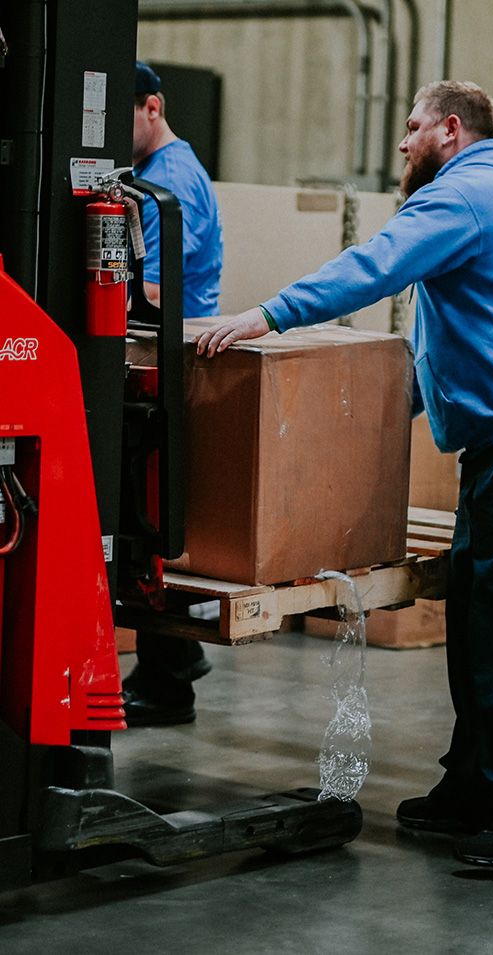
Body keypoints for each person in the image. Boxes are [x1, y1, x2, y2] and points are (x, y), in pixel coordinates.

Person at [195, 81, 493, 867]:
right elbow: (446, 348)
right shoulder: (482, 197)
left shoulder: (468, 194)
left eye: (412, 127)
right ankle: (480, 782)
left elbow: (374, 265)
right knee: (479, 622)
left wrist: (268, 314)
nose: (403, 143)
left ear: (452, 129)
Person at [121, 60, 224, 727]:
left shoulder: (170, 182)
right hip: (150, 358)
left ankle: (168, 673)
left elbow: (157, 295)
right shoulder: (147, 178)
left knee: (142, 511)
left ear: (152, 107)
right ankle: (169, 667)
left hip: (166, 363)